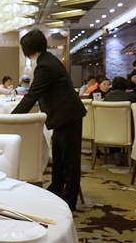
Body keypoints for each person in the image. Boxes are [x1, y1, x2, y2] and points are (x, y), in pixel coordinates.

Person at [12, 29, 86, 211]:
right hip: (65, 116)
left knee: (69, 160)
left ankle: (69, 201)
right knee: (60, 157)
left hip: (67, 116)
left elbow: (32, 96)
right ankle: (57, 191)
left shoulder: (45, 65)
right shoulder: (48, 60)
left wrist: (10, 119)